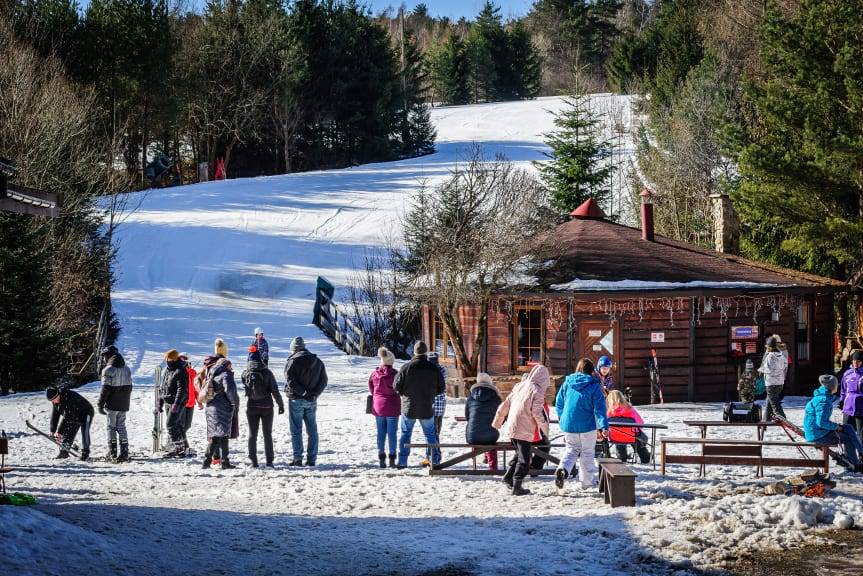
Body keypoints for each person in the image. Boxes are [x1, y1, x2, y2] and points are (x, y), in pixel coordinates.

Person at [492, 364, 551, 496]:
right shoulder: (537, 390)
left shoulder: (520, 386)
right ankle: (517, 486)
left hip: (513, 427)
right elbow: (537, 413)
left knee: (520, 455)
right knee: (524, 459)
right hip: (524, 429)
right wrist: (545, 429)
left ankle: (508, 477)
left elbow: (506, 403)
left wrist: (498, 421)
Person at [554, 358, 609, 490]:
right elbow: (599, 408)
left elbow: (559, 403)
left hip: (569, 424)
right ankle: (587, 482)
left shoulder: (567, 382)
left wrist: (562, 417)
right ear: (592, 371)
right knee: (587, 453)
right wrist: (604, 427)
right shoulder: (594, 385)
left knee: (571, 450)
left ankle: (563, 469)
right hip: (586, 425)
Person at [395, 341, 445, 469]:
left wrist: (404, 394)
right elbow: (441, 387)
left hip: (408, 407)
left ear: (414, 352)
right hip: (427, 406)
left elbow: (396, 386)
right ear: (426, 352)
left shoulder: (406, 367)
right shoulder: (433, 368)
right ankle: (433, 461)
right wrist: (431, 395)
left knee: (405, 434)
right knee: (430, 435)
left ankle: (402, 461)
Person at [803, 374, 863, 473]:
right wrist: (836, 427)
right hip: (818, 435)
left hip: (816, 432)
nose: (837, 386)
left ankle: (859, 455)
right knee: (848, 439)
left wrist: (837, 427)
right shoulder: (824, 401)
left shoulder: (821, 397)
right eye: (836, 385)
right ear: (832, 386)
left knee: (848, 427)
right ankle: (854, 464)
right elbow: (821, 422)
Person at [284, 337, 328, 466]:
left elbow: (290, 381)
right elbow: (323, 381)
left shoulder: (292, 362)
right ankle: (311, 459)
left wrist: (303, 393)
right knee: (312, 430)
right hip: (311, 401)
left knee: (296, 430)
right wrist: (314, 394)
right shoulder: (318, 361)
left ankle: (298, 458)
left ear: (294, 349)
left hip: (296, 400)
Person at [242, 345, 284, 468]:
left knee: (252, 434)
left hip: (252, 407)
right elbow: (275, 390)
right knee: (267, 434)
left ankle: (253, 461)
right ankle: (269, 461)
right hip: (267, 407)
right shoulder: (267, 372)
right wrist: (280, 405)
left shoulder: (245, 373)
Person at [200, 341, 240, 469]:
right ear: (226, 365)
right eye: (230, 365)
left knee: (218, 436)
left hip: (211, 407)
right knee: (221, 436)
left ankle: (216, 461)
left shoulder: (213, 373)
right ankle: (218, 461)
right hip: (223, 408)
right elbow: (231, 391)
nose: (231, 368)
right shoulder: (226, 375)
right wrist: (235, 403)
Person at [97, 345, 132, 462]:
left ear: (107, 356)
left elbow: (105, 389)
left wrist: (100, 404)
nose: (103, 359)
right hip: (123, 403)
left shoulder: (108, 370)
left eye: (104, 356)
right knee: (121, 426)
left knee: (111, 427)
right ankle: (124, 452)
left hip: (112, 404)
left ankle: (112, 452)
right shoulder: (127, 369)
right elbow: (130, 387)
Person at [368, 347, 400, 468]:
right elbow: (399, 388)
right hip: (392, 406)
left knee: (381, 433)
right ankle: (392, 457)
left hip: (378, 406)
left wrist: (377, 396)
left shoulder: (375, 374)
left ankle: (381, 456)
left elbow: (371, 387)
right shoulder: (396, 375)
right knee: (392, 433)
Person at [465, 372, 501, 470]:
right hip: (491, 436)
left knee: (480, 433)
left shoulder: (471, 398)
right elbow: (500, 416)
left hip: (472, 436)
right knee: (490, 438)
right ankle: (492, 467)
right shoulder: (496, 398)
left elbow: (467, 416)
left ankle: (481, 458)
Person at [47, 386, 94, 461]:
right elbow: (55, 416)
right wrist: (52, 430)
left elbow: (67, 416)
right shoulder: (55, 402)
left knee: (84, 432)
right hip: (74, 415)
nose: (53, 402)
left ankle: (86, 453)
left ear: (58, 395)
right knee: (68, 431)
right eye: (51, 401)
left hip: (86, 412)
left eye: (54, 399)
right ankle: (64, 452)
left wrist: (59, 432)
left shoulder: (68, 397)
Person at [606, 390, 651, 464]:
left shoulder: (608, 412)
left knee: (620, 441)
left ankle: (622, 458)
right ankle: (645, 458)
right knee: (638, 439)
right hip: (631, 436)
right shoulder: (630, 409)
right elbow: (640, 423)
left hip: (615, 437)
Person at [159, 349, 189, 458]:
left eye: (170, 358)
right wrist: (160, 402)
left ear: (175, 359)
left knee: (170, 425)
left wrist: (176, 404)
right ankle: (182, 448)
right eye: (166, 358)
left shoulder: (180, 371)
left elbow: (182, 390)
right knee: (176, 425)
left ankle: (178, 448)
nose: (167, 360)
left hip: (177, 403)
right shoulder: (167, 370)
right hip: (168, 401)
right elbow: (163, 387)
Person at [839, 350, 863, 461]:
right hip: (848, 408)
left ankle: (861, 457)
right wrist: (842, 400)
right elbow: (843, 390)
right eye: (854, 361)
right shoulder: (847, 373)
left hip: (861, 407)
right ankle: (850, 457)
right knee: (847, 432)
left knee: (861, 435)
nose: (855, 363)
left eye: (858, 361)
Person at [759, 335, 787, 421]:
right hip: (780, 383)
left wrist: (761, 370)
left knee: (775, 405)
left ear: (770, 347)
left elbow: (767, 369)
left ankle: (783, 420)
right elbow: (785, 365)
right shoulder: (781, 355)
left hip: (771, 383)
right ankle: (765, 420)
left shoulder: (770, 356)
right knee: (770, 402)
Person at [427, 351, 448, 466]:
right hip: (441, 406)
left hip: (431, 406)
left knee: (432, 433)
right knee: (436, 432)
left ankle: (435, 456)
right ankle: (431, 455)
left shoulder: (429, 372)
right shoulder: (443, 370)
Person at [179, 353, 198, 456]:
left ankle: (179, 443)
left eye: (186, 361)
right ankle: (185, 446)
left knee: (187, 425)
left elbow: (195, 387)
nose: (184, 362)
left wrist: (198, 401)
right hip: (182, 402)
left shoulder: (191, 373)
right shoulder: (179, 371)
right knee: (181, 426)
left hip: (191, 402)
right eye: (183, 360)